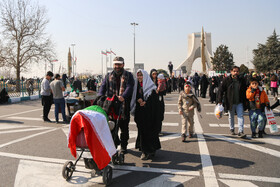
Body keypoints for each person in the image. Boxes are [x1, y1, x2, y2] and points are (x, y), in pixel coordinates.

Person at [98, 56, 134, 154]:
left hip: (123, 106)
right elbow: (103, 87)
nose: (117, 66)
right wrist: (100, 96)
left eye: (119, 64)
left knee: (124, 128)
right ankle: (114, 143)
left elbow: (130, 87)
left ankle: (123, 146)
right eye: (115, 64)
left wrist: (124, 96)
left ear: (123, 65)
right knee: (112, 127)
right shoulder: (108, 75)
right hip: (111, 106)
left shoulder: (128, 75)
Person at [130, 69, 161, 160]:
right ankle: (144, 150)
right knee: (142, 131)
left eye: (141, 75)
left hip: (150, 113)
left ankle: (150, 150)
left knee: (150, 131)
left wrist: (146, 103)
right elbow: (135, 96)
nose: (139, 77)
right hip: (140, 113)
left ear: (145, 76)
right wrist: (138, 100)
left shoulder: (151, 87)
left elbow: (154, 101)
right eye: (138, 75)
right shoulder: (136, 86)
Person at [217, 66, 248, 138]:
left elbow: (245, 89)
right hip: (230, 101)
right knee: (231, 116)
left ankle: (241, 131)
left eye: (237, 71)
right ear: (231, 71)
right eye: (234, 71)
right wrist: (220, 100)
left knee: (240, 116)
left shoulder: (241, 80)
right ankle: (232, 129)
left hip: (239, 102)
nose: (236, 73)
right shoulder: (227, 80)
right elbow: (221, 90)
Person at [150, 69, 166, 134]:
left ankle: (158, 130)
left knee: (159, 116)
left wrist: (160, 92)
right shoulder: (149, 81)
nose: (154, 75)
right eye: (153, 74)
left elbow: (164, 91)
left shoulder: (160, 81)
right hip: (152, 101)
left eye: (155, 74)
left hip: (159, 101)